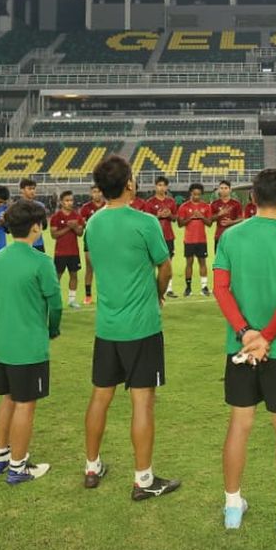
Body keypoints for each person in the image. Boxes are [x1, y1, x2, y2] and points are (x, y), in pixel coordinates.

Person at [212, 168, 276, 537]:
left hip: (240, 347)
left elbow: (220, 289)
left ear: (251, 198)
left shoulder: (231, 236)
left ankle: (233, 506)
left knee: (239, 425)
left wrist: (245, 333)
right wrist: (264, 336)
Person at [82, 155, 180, 500]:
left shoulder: (93, 223)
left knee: (100, 397)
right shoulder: (146, 222)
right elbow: (165, 269)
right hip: (141, 327)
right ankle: (143, 479)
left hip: (107, 326)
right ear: (128, 184)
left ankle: (91, 467)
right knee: (143, 402)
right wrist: (156, 294)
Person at [0, 199, 61, 484]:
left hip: (5, 345)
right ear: (35, 227)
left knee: (8, 399)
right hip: (29, 346)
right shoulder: (41, 262)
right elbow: (55, 305)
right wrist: (53, 329)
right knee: (26, 404)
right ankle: (18, 467)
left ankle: (1, 456)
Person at [144, 176, 179, 298]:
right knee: (151, 263)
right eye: (159, 185)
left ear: (167, 187)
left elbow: (176, 219)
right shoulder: (149, 203)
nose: (161, 187)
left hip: (168, 236)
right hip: (154, 237)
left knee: (168, 263)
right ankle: (151, 289)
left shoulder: (171, 202)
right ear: (155, 186)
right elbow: (147, 222)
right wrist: (157, 216)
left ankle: (168, 289)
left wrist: (170, 215)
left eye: (163, 185)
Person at [177, 183, 213, 296]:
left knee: (203, 263)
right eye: (194, 194)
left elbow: (210, 223)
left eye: (198, 194)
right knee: (189, 263)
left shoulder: (206, 206)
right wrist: (191, 217)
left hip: (202, 240)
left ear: (201, 194)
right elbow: (180, 224)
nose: (196, 196)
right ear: (190, 193)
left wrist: (201, 217)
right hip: (189, 240)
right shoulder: (184, 206)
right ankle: (188, 288)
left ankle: (204, 287)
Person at [50, 190, 85, 308]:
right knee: (57, 276)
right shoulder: (56, 217)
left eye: (71, 200)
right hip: (60, 252)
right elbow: (53, 235)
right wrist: (68, 227)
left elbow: (80, 233)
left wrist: (75, 227)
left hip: (74, 252)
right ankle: (54, 300)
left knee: (74, 275)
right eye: (67, 200)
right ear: (61, 202)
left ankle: (72, 300)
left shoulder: (77, 216)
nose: (69, 203)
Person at [79, 185, 107, 303]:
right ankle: (88, 295)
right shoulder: (86, 208)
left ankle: (104, 295)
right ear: (91, 194)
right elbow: (82, 224)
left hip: (105, 240)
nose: (97, 194)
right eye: (94, 192)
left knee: (105, 269)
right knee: (90, 268)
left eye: (99, 191)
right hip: (90, 239)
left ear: (102, 193)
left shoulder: (107, 206)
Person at [210, 180, 243, 251]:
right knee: (219, 259)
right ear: (218, 190)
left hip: (232, 236)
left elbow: (241, 219)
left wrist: (231, 222)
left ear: (230, 190)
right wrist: (219, 214)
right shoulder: (214, 204)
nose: (223, 190)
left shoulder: (236, 204)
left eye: (226, 188)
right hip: (219, 236)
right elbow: (210, 220)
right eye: (221, 188)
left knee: (232, 259)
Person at [18, 179, 48, 253]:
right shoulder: (17, 207)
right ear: (22, 190)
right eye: (29, 189)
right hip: (23, 244)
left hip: (38, 244)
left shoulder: (40, 206)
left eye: (34, 189)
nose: (32, 191)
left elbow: (44, 226)